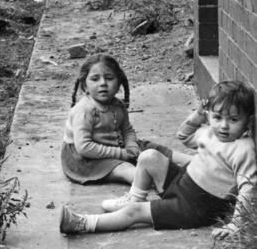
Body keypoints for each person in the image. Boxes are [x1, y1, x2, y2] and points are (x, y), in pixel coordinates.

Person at [60, 80, 257, 240]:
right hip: (181, 183)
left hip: (194, 208)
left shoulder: (243, 149)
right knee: (149, 156)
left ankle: (83, 223)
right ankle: (134, 197)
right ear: (210, 116)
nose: (223, 126)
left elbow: (247, 188)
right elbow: (184, 136)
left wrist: (235, 223)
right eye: (217, 117)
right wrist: (198, 116)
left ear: (247, 121)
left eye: (233, 120)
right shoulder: (210, 133)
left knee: (135, 213)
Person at [62, 54, 177, 186]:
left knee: (148, 147)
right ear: (85, 86)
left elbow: (126, 129)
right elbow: (84, 147)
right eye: (95, 79)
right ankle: (168, 181)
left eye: (109, 78)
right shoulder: (84, 111)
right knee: (122, 168)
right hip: (86, 158)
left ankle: (191, 163)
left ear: (119, 84)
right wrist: (121, 154)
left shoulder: (118, 105)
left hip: (114, 146)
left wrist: (131, 146)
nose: (103, 83)